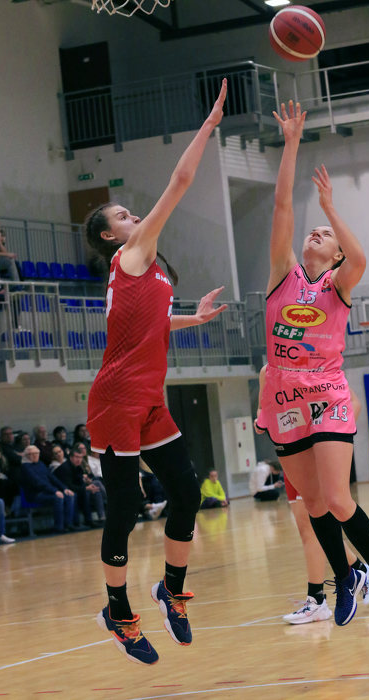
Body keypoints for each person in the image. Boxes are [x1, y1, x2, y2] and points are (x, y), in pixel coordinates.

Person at [85, 79, 228, 665]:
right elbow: (181, 181)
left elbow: (154, 323)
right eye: (122, 215)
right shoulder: (132, 254)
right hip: (117, 398)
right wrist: (208, 127)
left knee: (187, 492)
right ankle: (117, 612)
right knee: (125, 507)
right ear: (109, 236)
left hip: (148, 397)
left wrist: (194, 318)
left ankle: (170, 591)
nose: (134, 215)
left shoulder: (145, 269)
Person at [256, 100, 369, 629]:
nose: (314, 233)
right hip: (284, 397)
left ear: (335, 254)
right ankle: (345, 579)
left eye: (325, 234)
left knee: (338, 498)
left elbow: (360, 259)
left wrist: (331, 207)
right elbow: (281, 207)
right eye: (312, 230)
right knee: (313, 502)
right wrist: (291, 143)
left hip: (326, 392)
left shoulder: (338, 284)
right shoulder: (282, 274)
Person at [254, 365, 369, 624]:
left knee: (312, 529)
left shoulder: (319, 366)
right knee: (307, 529)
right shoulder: (267, 372)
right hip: (290, 453)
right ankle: (360, 572)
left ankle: (317, 599)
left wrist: (332, 437)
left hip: (318, 454)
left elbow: (353, 404)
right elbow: (263, 412)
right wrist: (261, 421)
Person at [19, 445, 76, 533]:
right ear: (27, 455)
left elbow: (52, 478)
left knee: (69, 495)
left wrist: (64, 488)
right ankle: (59, 527)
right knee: (58, 498)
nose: (35, 455)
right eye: (32, 454)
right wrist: (55, 491)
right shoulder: (25, 467)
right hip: (36, 494)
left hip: (47, 492)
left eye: (37, 453)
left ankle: (68, 524)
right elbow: (37, 483)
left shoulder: (41, 464)